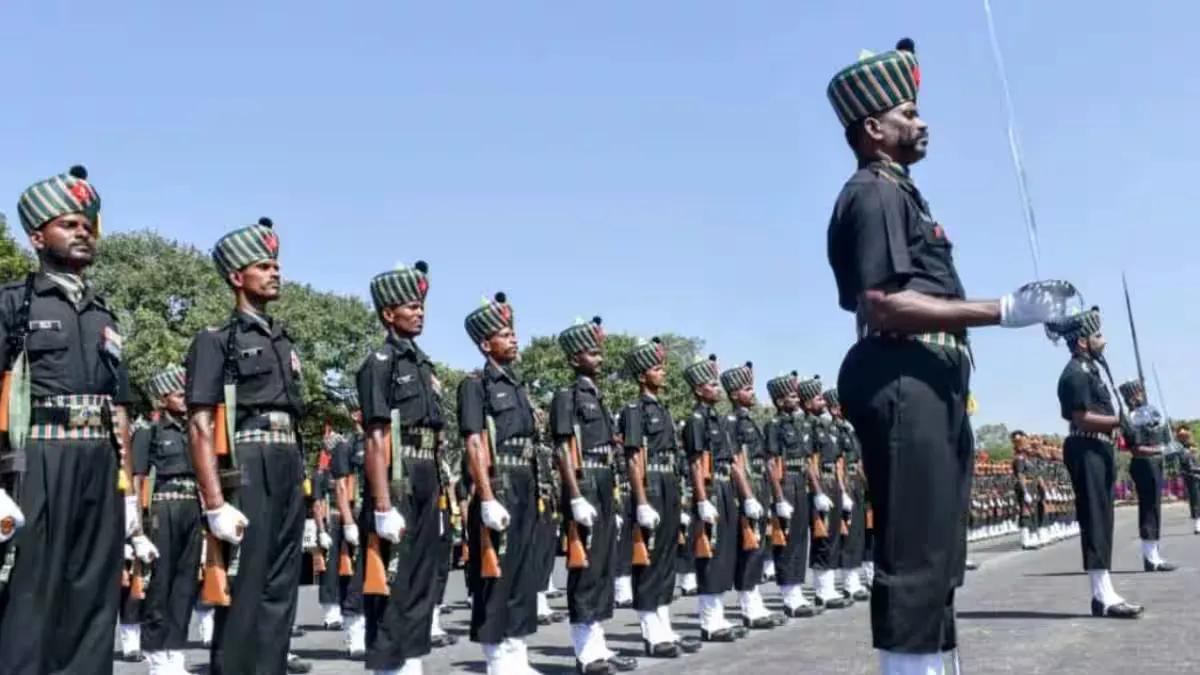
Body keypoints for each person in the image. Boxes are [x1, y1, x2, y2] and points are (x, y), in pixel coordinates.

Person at [824, 38, 1082, 672]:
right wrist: (1000, 310)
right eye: (907, 113)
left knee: (939, 544)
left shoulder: (901, 192)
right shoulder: (874, 192)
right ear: (873, 129)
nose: (921, 122)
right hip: (902, 374)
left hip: (929, 379)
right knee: (915, 546)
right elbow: (883, 304)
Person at [0, 166, 151, 674]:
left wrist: (128, 489)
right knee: (33, 591)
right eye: (69, 224)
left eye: (87, 223)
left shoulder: (104, 314)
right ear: (37, 236)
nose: (83, 231)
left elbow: (120, 407)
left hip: (99, 461)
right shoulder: (14, 303)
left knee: (92, 592)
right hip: (38, 460)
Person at [186, 217, 307, 674]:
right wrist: (215, 502)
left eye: (276, 265)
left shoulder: (283, 339)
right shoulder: (216, 340)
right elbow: (200, 424)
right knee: (244, 580)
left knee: (281, 582)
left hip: (287, 459)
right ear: (237, 278)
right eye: (263, 266)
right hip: (248, 461)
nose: (275, 273)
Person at [355, 261, 445, 675]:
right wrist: (382, 504)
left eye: (422, 306)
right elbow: (375, 436)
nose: (420, 312)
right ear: (389, 314)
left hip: (427, 474)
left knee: (422, 581)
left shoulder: (423, 365)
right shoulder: (379, 362)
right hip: (398, 474)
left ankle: (411, 666)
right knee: (394, 583)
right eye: (412, 307)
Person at [459, 292, 541, 674]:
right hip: (500, 483)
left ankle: (518, 656)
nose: (513, 339)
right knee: (496, 575)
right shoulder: (475, 385)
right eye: (504, 334)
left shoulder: (519, 386)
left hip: (526, 482)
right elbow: (474, 441)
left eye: (513, 332)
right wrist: (487, 497)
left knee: (524, 574)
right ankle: (497, 662)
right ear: (484, 343)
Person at [550, 317, 637, 674]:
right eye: (591, 353)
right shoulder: (566, 397)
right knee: (585, 568)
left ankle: (599, 643)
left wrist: (612, 499)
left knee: (603, 566)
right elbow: (564, 450)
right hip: (584, 483)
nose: (599, 359)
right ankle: (584, 650)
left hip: (602, 484)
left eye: (600, 352)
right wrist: (574, 496)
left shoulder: (598, 398)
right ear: (574, 359)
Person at [1047, 307, 1143, 618]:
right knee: (1095, 519)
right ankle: (1102, 595)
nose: (1104, 340)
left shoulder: (1091, 369)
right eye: (1098, 335)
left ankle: (1105, 591)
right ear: (1083, 342)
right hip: (1085, 447)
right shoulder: (1075, 373)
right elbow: (1081, 417)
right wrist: (1120, 422)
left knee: (1104, 518)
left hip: (1099, 448)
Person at [619, 337, 703, 658]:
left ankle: (664, 624)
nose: (662, 372)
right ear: (642, 376)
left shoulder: (664, 410)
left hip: (668, 483)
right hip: (650, 484)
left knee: (667, 556)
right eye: (656, 368)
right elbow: (634, 457)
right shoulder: (634, 411)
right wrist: (640, 501)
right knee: (649, 559)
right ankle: (650, 631)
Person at [134, 365, 203, 674]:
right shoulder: (150, 429)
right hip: (164, 509)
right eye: (178, 394)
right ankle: (156, 656)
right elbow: (137, 480)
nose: (185, 398)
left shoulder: (193, 428)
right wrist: (137, 530)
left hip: (192, 508)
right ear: (163, 399)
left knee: (186, 585)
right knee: (160, 585)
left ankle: (176, 653)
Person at [682, 355, 749, 643]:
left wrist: (745, 495)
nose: (717, 388)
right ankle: (708, 620)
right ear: (699, 390)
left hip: (725, 489)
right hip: (709, 490)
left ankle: (718, 615)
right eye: (711, 384)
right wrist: (700, 499)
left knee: (724, 555)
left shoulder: (719, 420)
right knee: (710, 553)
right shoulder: (696, 420)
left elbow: (733, 461)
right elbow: (696, 462)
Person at [720, 361, 783, 630]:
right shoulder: (731, 422)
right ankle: (748, 604)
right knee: (748, 548)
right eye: (747, 388)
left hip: (759, 485)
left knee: (757, 546)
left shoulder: (750, 420)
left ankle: (753, 598)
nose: (752, 393)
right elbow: (735, 461)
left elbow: (765, 461)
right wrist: (746, 495)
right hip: (746, 487)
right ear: (734, 394)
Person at [762, 373, 819, 619]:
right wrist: (778, 498)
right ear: (779, 400)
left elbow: (808, 461)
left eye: (797, 395)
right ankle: (788, 594)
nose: (797, 399)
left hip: (800, 482)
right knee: (786, 541)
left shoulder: (802, 424)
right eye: (791, 395)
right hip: (785, 483)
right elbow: (772, 463)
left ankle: (797, 589)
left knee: (800, 538)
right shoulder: (774, 426)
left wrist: (816, 490)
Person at [797, 377, 850, 610]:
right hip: (817, 484)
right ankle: (821, 589)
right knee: (822, 538)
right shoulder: (805, 425)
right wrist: (817, 491)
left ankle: (828, 587)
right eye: (818, 398)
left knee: (834, 536)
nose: (822, 402)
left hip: (832, 482)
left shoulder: (826, 426)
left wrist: (842, 490)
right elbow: (809, 461)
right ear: (808, 404)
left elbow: (838, 461)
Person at [1117, 379, 1176, 572]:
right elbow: (1136, 448)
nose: (1141, 396)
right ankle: (1150, 556)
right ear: (1130, 397)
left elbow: (1158, 434)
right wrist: (1161, 449)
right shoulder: (1131, 418)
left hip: (1154, 462)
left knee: (1154, 507)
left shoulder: (1148, 413)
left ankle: (1154, 553)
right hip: (1144, 463)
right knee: (1149, 508)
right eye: (1137, 393)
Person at [828, 388, 870, 602]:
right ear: (835, 409)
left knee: (857, 534)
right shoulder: (832, 431)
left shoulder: (850, 431)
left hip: (856, 483)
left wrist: (868, 486)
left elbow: (859, 462)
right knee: (847, 535)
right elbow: (838, 464)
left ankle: (854, 579)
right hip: (844, 483)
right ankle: (848, 582)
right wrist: (842, 491)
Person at [1174, 425, 1200, 534]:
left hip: (1197, 471)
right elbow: (1181, 461)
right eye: (1181, 435)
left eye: (1185, 435)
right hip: (1191, 475)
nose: (1184, 437)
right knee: (1196, 499)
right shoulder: (1179, 448)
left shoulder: (1195, 445)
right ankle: (1198, 522)